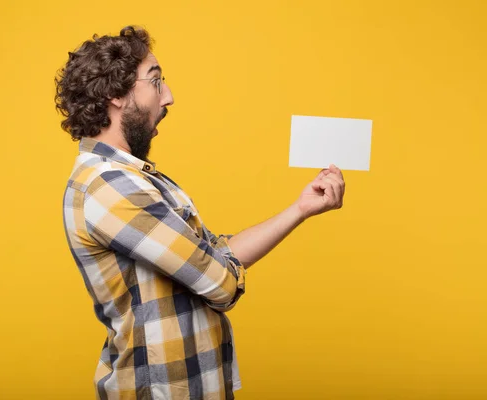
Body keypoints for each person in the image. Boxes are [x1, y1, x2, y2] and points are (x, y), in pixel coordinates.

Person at [55, 25, 345, 400]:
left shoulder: (139, 180)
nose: (169, 97)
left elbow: (213, 254)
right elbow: (220, 282)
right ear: (115, 94)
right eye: (156, 82)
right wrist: (219, 270)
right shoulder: (110, 186)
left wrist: (302, 208)